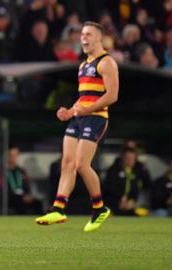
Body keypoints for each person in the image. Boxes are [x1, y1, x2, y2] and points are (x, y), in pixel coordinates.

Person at [35, 21, 119, 232]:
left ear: (99, 37)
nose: (84, 38)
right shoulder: (83, 65)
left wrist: (86, 110)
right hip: (80, 117)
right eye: (82, 34)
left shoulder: (107, 62)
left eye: (89, 34)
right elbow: (83, 98)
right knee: (67, 163)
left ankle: (100, 208)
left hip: (96, 118)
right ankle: (58, 209)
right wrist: (69, 112)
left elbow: (112, 96)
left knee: (82, 165)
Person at [103, 147, 150, 216]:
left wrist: (132, 200)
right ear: (123, 158)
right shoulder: (113, 170)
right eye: (128, 158)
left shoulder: (137, 172)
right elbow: (109, 188)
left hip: (131, 205)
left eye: (132, 159)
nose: (130, 160)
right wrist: (120, 199)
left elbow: (141, 187)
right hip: (114, 204)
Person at [4, 147, 43, 215]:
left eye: (15, 155)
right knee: (17, 202)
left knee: (38, 203)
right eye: (10, 155)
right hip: (9, 197)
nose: (13, 157)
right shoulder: (3, 171)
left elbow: (27, 184)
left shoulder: (21, 171)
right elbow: (1, 188)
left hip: (23, 196)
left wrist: (27, 195)